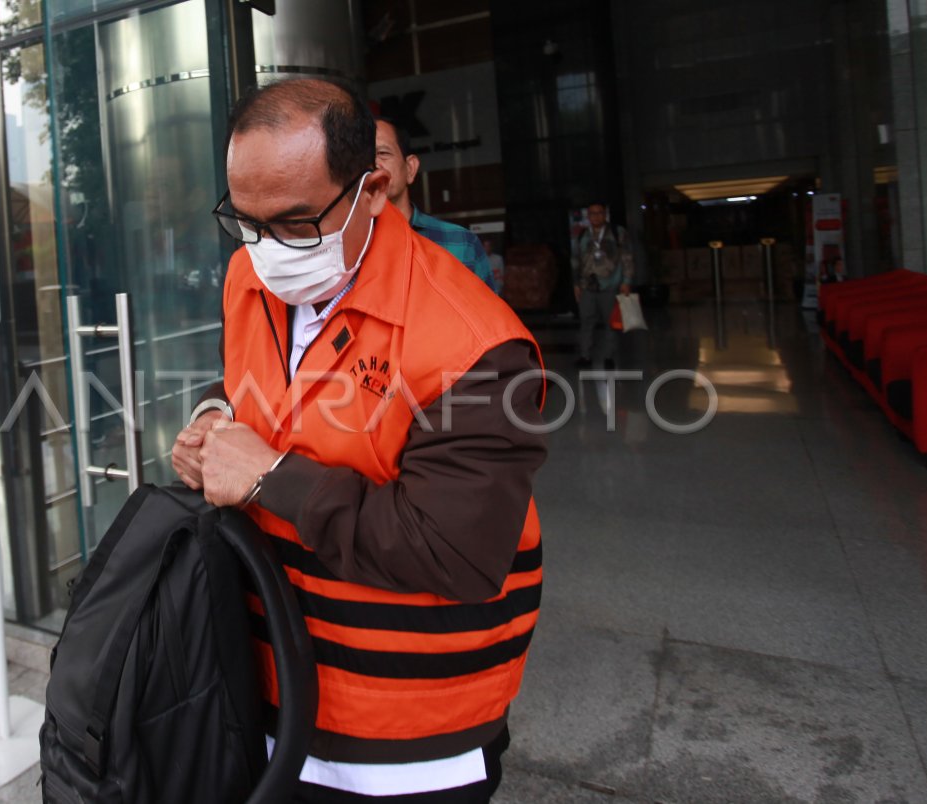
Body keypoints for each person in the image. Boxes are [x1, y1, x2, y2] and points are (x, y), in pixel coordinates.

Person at [171, 78, 548, 803]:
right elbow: (263, 395)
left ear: (373, 189)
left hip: (405, 737)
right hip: (271, 688)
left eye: (296, 222)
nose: (268, 251)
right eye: (245, 222)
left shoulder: (478, 344)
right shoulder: (247, 279)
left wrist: (268, 475)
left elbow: (456, 552)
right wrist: (214, 428)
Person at [374, 116, 498, 293]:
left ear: (410, 168)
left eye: (383, 153)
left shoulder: (460, 244)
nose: (373, 164)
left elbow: (487, 318)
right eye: (361, 157)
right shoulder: (346, 248)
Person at [572, 201, 633, 369]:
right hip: (587, 286)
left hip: (610, 284)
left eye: (599, 213)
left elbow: (627, 257)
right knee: (586, 322)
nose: (596, 216)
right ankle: (585, 355)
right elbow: (576, 259)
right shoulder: (583, 234)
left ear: (605, 214)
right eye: (592, 213)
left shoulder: (617, 232)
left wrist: (626, 281)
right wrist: (576, 283)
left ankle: (609, 356)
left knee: (610, 323)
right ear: (588, 216)